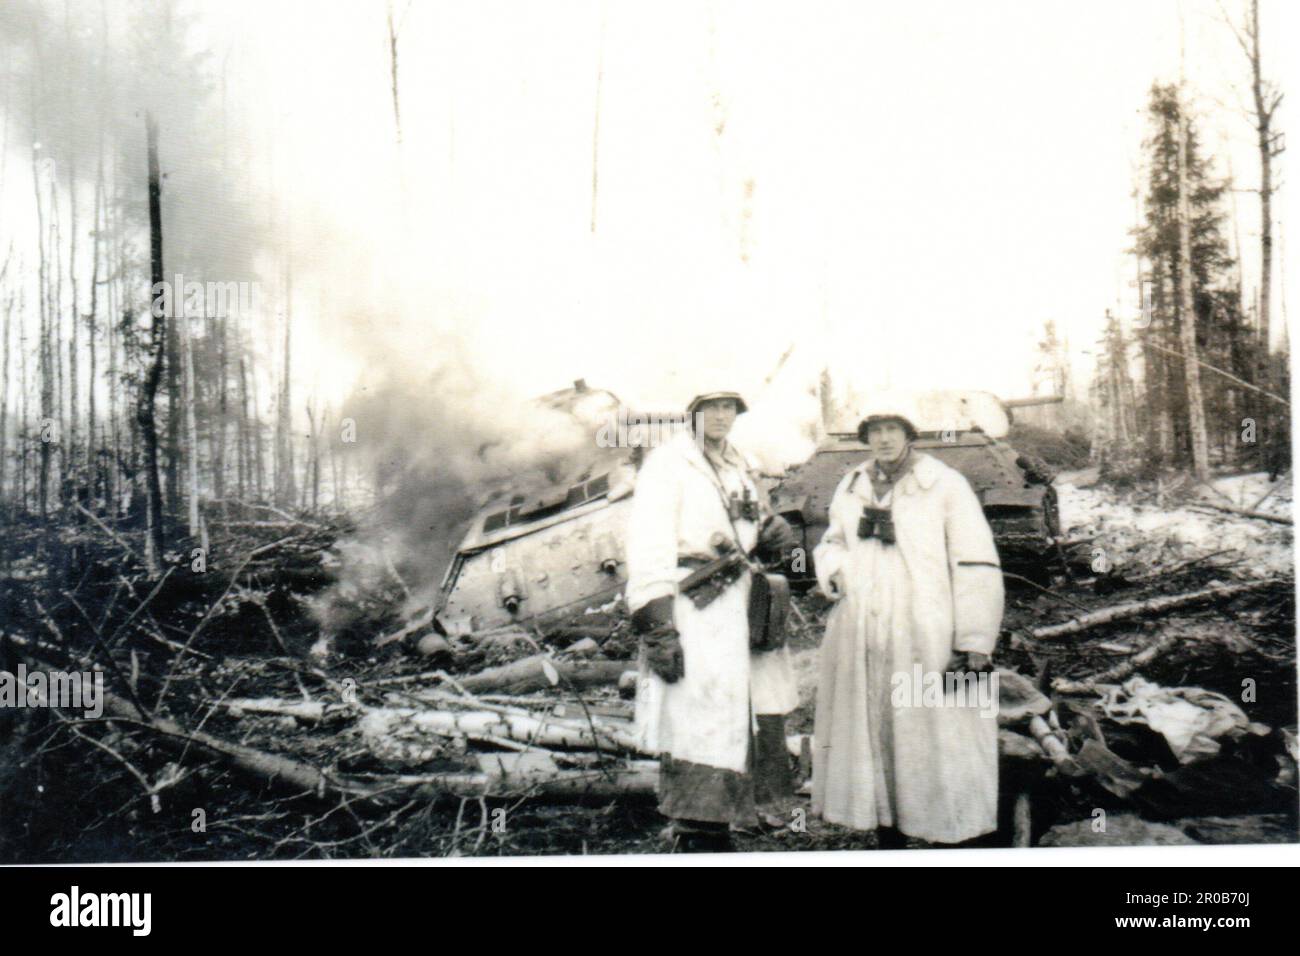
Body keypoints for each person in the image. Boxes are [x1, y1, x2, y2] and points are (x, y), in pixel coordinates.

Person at [811, 398, 1005, 847]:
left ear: (909, 434)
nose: (883, 439)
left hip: (928, 629)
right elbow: (831, 542)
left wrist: (975, 641)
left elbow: (975, 561)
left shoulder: (944, 485)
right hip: (864, 628)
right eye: (874, 430)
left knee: (939, 732)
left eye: (892, 429)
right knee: (878, 730)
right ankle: (888, 832)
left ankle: (957, 833)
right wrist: (836, 570)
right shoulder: (853, 484)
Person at [625, 390, 800, 852]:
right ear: (693, 413)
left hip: (741, 598)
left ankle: (736, 821)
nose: (722, 416)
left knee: (749, 710)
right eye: (712, 407)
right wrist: (658, 625)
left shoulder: (739, 462)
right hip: (694, 602)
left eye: (730, 408)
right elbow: (647, 546)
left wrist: (770, 531)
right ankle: (697, 834)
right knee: (697, 716)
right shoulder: (667, 464)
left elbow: (748, 525)